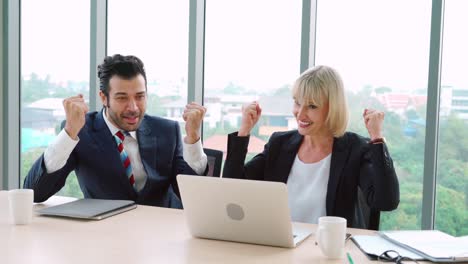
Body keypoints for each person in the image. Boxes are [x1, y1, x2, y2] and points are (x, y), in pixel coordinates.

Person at [222, 65, 399, 226]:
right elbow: (233, 189)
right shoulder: (279, 144)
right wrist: (244, 130)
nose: (300, 114)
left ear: (332, 108)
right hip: (279, 249)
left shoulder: (356, 149)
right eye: (298, 102)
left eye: (312, 106)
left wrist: (376, 138)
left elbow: (386, 201)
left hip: (329, 254)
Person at [24, 54, 208, 209]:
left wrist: (192, 139)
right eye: (122, 98)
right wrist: (69, 133)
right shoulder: (82, 131)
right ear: (104, 98)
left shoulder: (167, 130)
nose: (133, 107)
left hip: (161, 236)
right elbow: (35, 192)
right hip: (106, 236)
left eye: (140, 96)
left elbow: (195, 199)